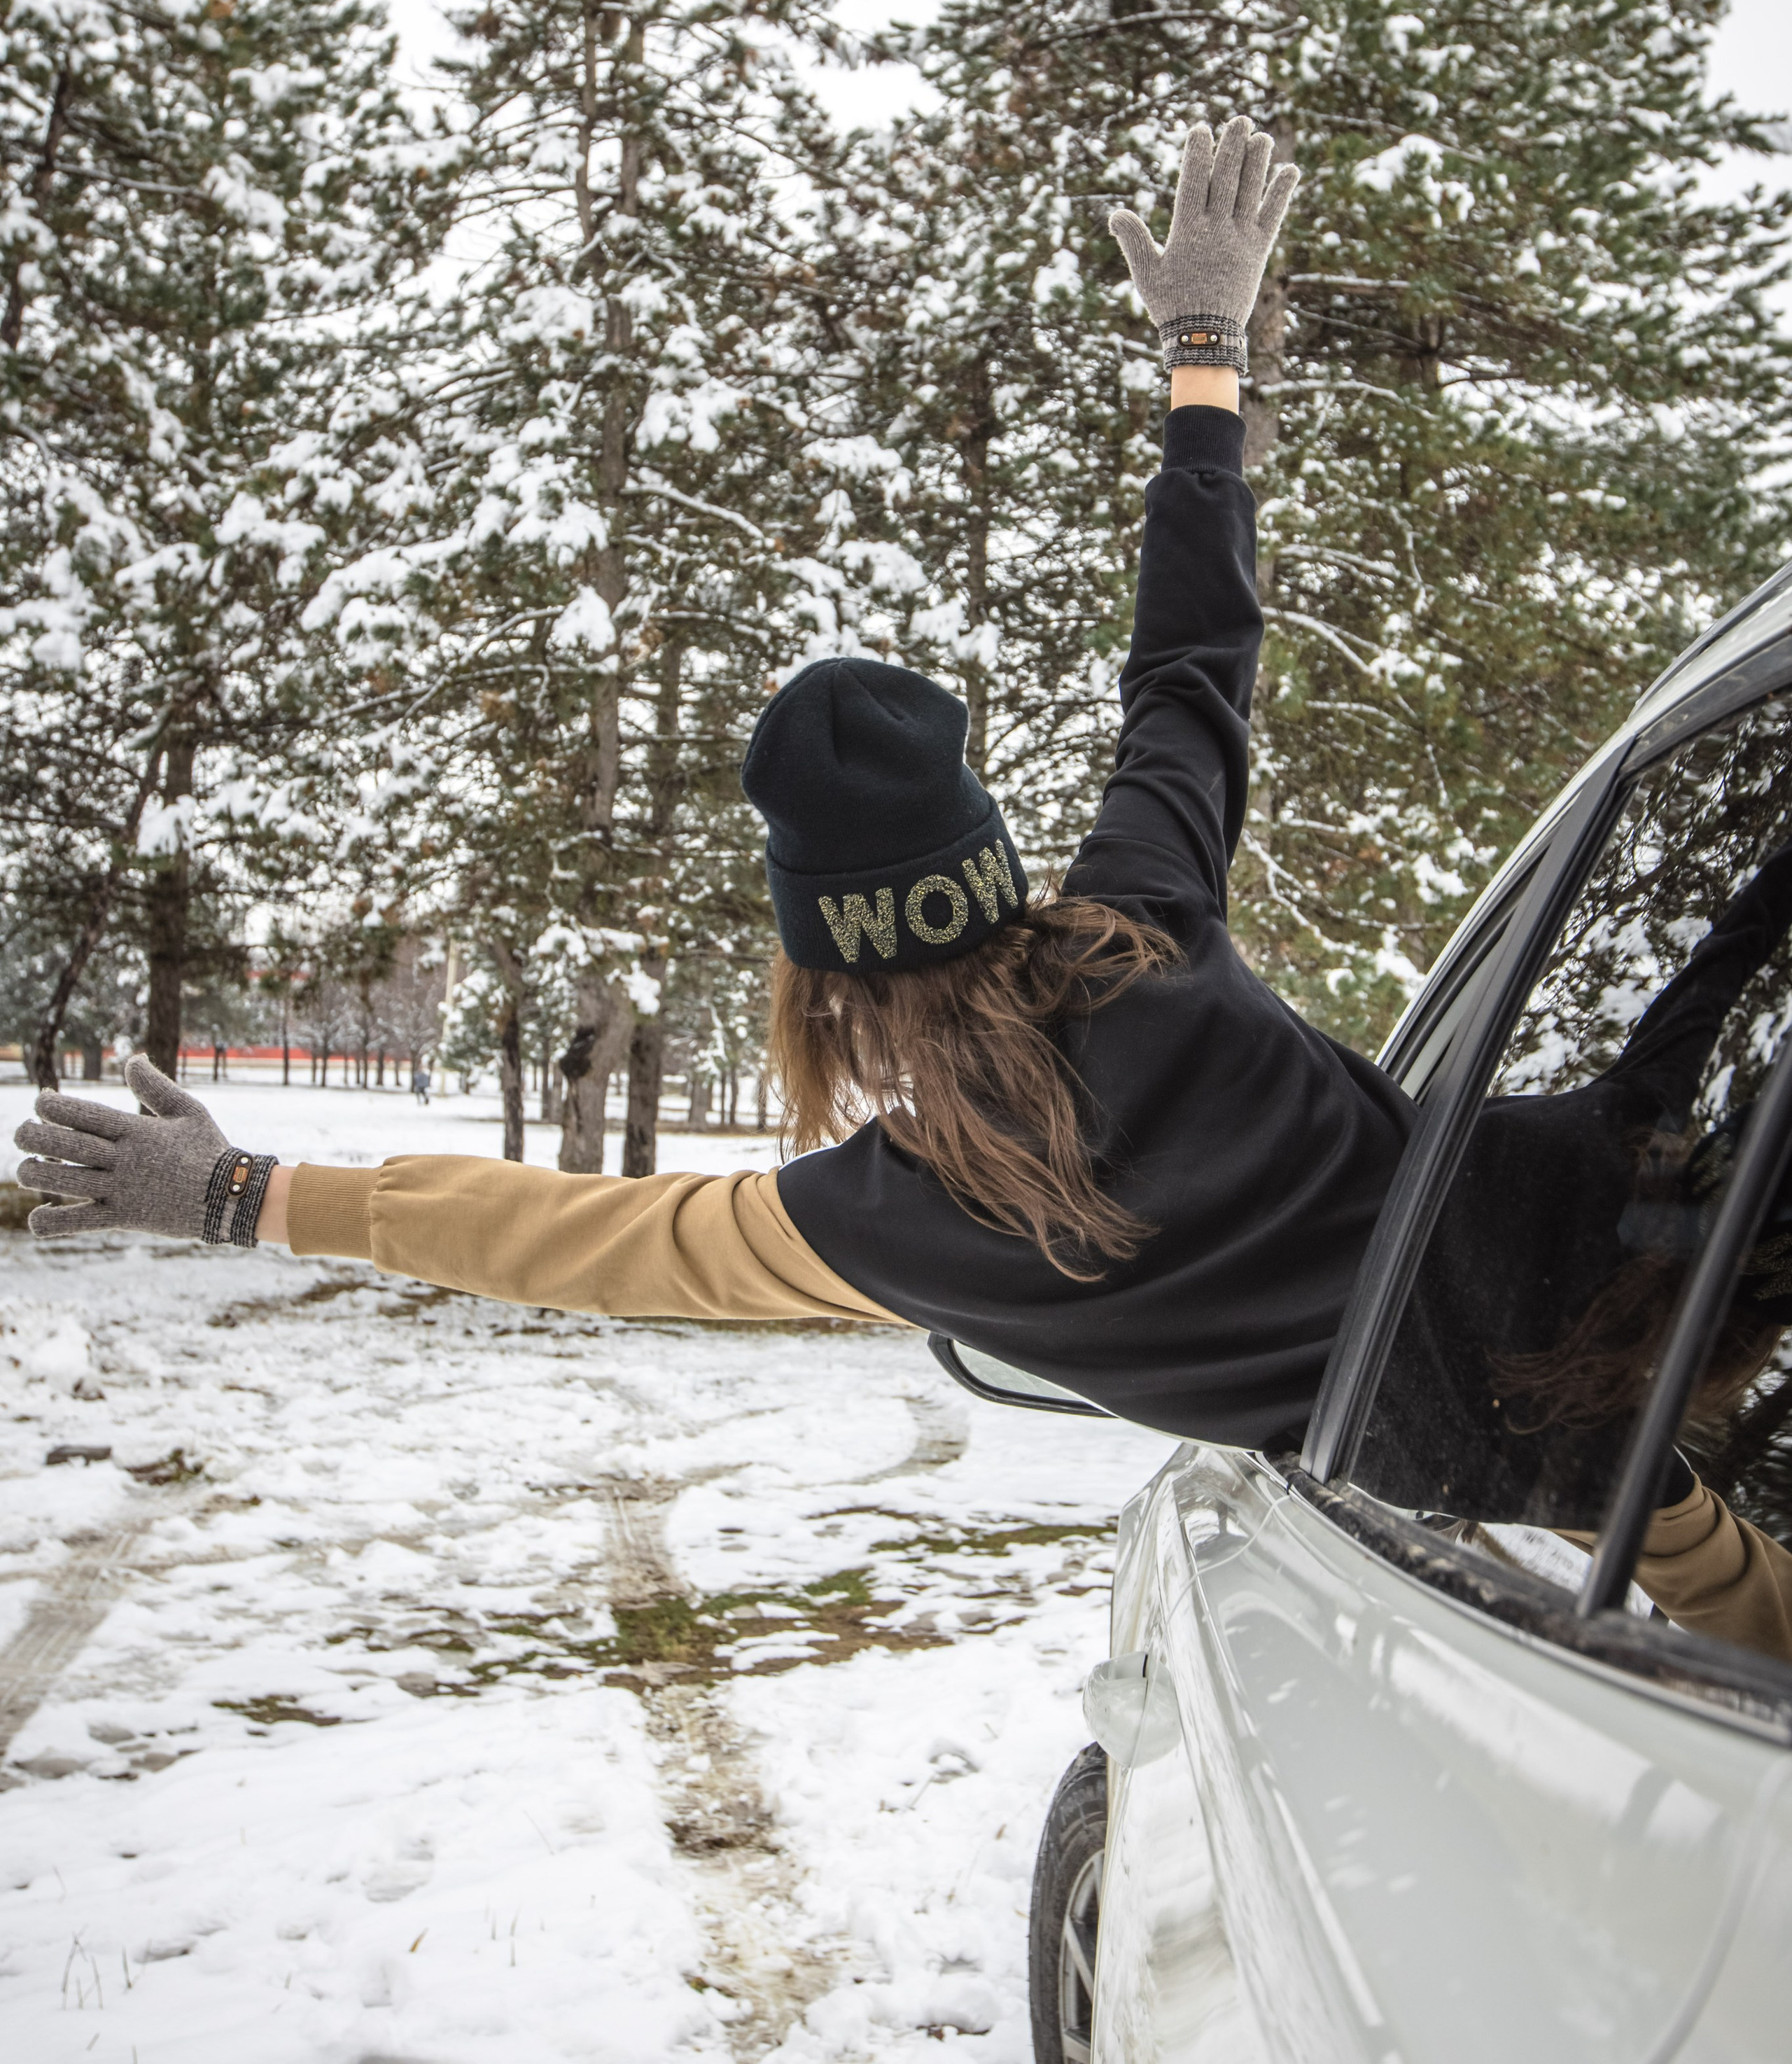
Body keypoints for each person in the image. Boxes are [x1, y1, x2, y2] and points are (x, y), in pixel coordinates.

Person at [15, 117, 1791, 1659]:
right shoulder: (1141, 922)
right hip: (1643, 1215)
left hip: (1563, 1457)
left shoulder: (896, 1216)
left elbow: (568, 1241)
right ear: (986, 870)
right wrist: (1198, 351)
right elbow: (1192, 661)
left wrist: (247, 1194)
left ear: (816, 976)